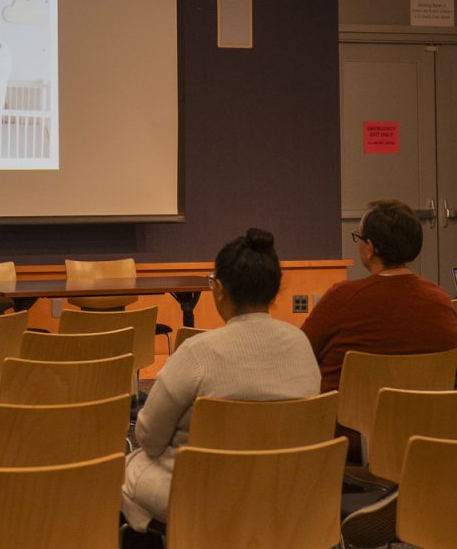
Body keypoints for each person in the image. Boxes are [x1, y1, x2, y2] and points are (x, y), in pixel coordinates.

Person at [119, 229, 320, 543]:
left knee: (126, 470)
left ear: (219, 290)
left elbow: (148, 437)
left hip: (204, 494)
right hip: (284, 490)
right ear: (275, 290)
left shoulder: (198, 352)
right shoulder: (301, 345)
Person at [301, 198, 457, 392]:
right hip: (425, 420)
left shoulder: (342, 298)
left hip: (346, 420)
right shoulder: (441, 302)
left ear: (370, 248)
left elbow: (300, 356)